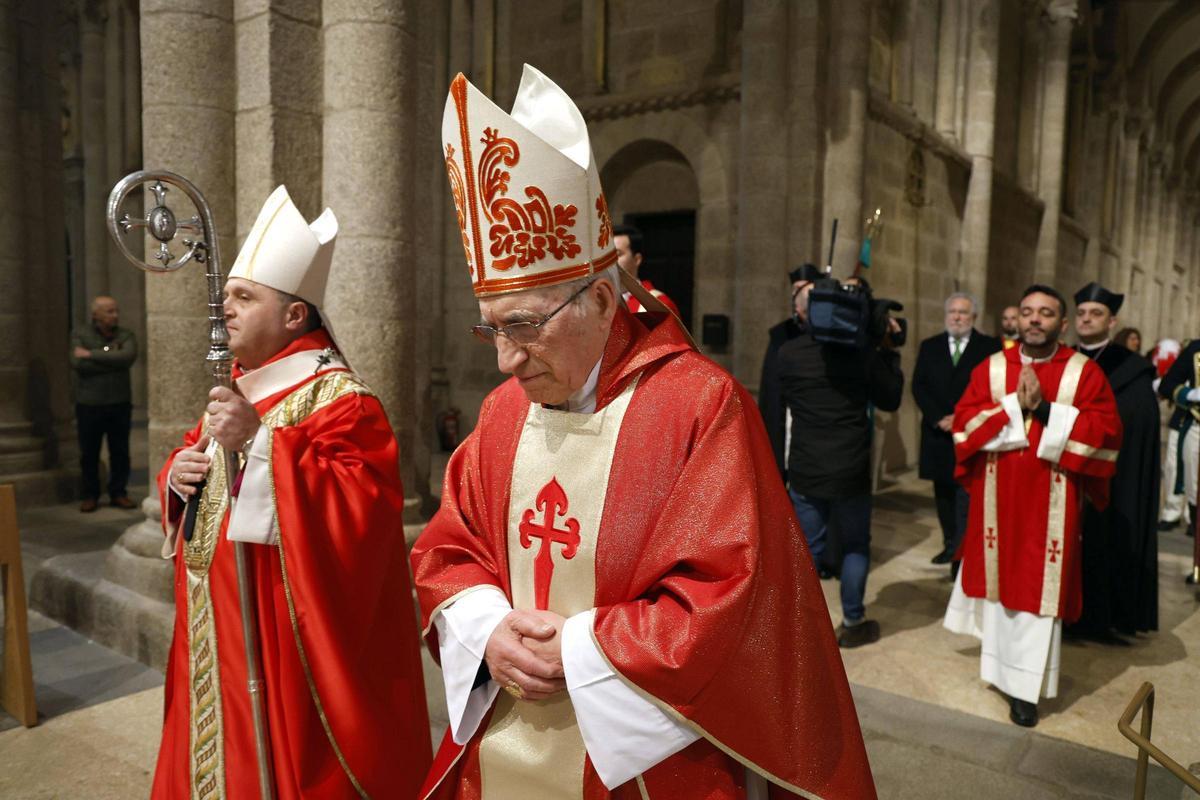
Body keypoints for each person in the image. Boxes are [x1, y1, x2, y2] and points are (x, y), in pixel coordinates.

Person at [414, 65, 876, 799]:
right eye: (493, 329)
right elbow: (449, 544)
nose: (506, 358)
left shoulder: (699, 407)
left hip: (646, 761)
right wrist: (486, 628)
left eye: (526, 326)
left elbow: (733, 599)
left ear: (600, 297)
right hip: (504, 741)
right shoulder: (506, 410)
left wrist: (576, 650)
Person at [151, 186, 431, 798]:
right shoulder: (245, 383)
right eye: (225, 295)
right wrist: (178, 474)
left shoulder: (343, 401)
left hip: (281, 635)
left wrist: (263, 445)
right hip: (212, 620)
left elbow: (360, 512)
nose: (225, 307)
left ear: (295, 316)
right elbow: (196, 453)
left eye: (244, 297)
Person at [944, 285, 1121, 728]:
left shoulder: (1083, 373)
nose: (1034, 320)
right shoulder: (992, 367)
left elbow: (1107, 434)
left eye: (1045, 313)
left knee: (1036, 594)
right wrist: (1012, 405)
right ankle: (997, 671)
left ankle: (1024, 690)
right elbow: (964, 424)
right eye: (1027, 312)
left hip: (1052, 503)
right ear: (1017, 320)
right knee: (1000, 585)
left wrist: (1043, 412)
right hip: (996, 499)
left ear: (1062, 324)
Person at [773, 270, 904, 647]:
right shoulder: (860, 354)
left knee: (807, 550)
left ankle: (800, 627)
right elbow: (890, 398)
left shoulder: (789, 354)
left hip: (806, 467)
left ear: (803, 315)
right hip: (850, 470)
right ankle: (853, 619)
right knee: (855, 546)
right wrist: (887, 349)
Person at [1069, 283, 1159, 641]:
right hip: (1068, 469)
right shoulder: (1063, 358)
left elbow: (1139, 422)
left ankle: (1106, 616)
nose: (1087, 319)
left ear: (1112, 321)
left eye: (1096, 313)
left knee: (1107, 539)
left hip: (1115, 475)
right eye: (1081, 313)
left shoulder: (1132, 368)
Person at [911, 292, 1001, 573]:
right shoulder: (930, 346)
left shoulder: (989, 347)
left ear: (974, 317)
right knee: (943, 492)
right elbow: (919, 386)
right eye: (952, 312)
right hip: (938, 433)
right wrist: (939, 417)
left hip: (971, 434)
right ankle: (950, 543)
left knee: (968, 495)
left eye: (963, 312)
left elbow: (992, 388)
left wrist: (962, 419)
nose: (957, 317)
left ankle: (963, 553)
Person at [70, 296, 138, 512]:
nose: (115, 315)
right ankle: (91, 494)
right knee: (89, 452)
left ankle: (118, 492)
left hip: (119, 402)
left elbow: (127, 357)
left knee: (120, 450)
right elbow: (78, 363)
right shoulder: (80, 334)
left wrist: (92, 354)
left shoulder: (125, 335)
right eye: (109, 311)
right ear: (96, 314)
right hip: (90, 403)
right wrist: (111, 354)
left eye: (115, 310)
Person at [758, 262, 822, 479]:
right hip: (786, 423)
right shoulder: (780, 334)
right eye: (795, 290)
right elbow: (771, 390)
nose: (797, 296)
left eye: (803, 289)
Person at [1150, 338, 1188, 531]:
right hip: (1184, 420)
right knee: (1174, 468)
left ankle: (1192, 516)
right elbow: (1170, 384)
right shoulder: (1193, 353)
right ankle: (1171, 512)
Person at [613, 223, 681, 316]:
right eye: (608, 255)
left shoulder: (657, 305)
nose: (611, 261)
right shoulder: (597, 301)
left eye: (617, 254)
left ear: (637, 259)